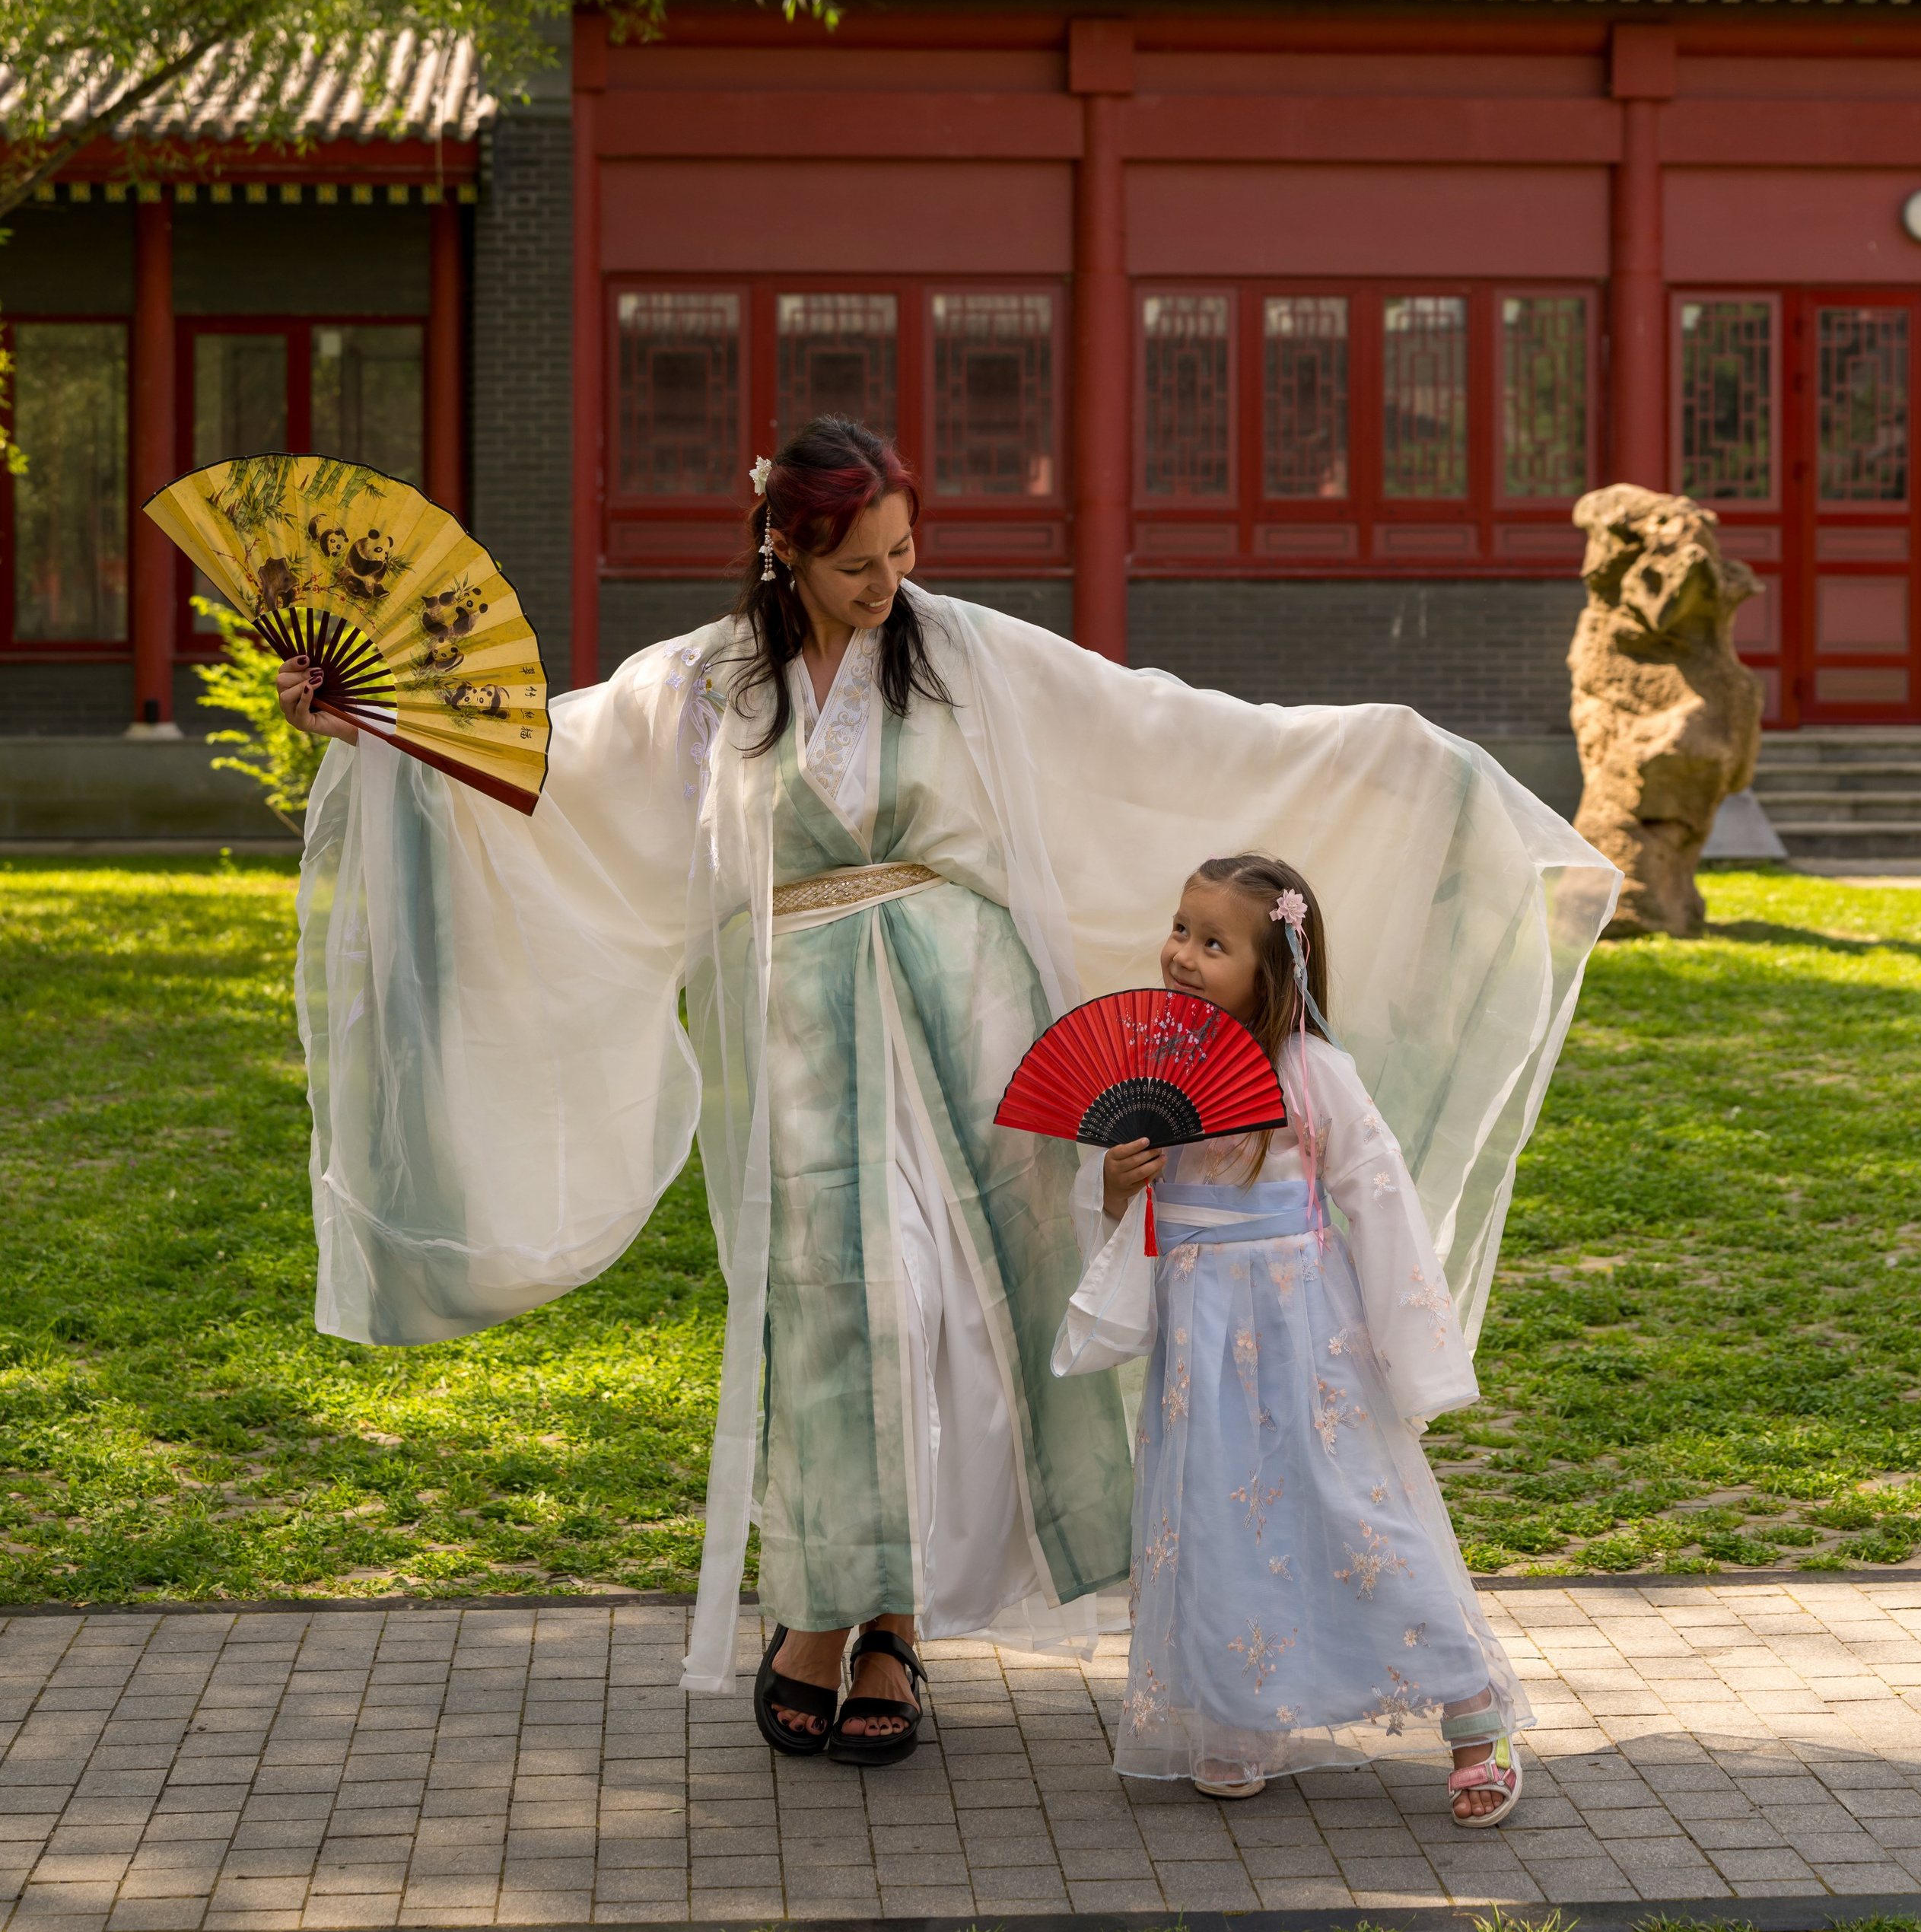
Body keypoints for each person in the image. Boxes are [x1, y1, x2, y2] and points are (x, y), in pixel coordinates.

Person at [278, 413, 1613, 1767]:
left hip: (965, 1015)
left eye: (903, 552)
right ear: (785, 550)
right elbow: (557, 763)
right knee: (834, 1313)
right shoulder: (708, 685)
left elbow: (1151, 725)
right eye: (858, 562)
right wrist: (385, 726)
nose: (887, 583)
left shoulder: (960, 652)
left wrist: (1374, 750)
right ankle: (817, 1606)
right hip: (798, 1022)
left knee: (945, 1315)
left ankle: (898, 1622)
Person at [1054, 855, 1527, 1822]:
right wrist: (1112, 1187)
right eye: (1181, 929)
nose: (1183, 955)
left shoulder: (1314, 1074)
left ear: (1274, 972)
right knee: (1219, 1516)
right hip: (1200, 1332)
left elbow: (1380, 1201)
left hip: (1305, 1330)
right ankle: (1235, 1717)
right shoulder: (1155, 1068)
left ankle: (1474, 1714)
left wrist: (1412, 1353)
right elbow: (1119, 1219)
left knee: (1356, 1508)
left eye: (1215, 942)